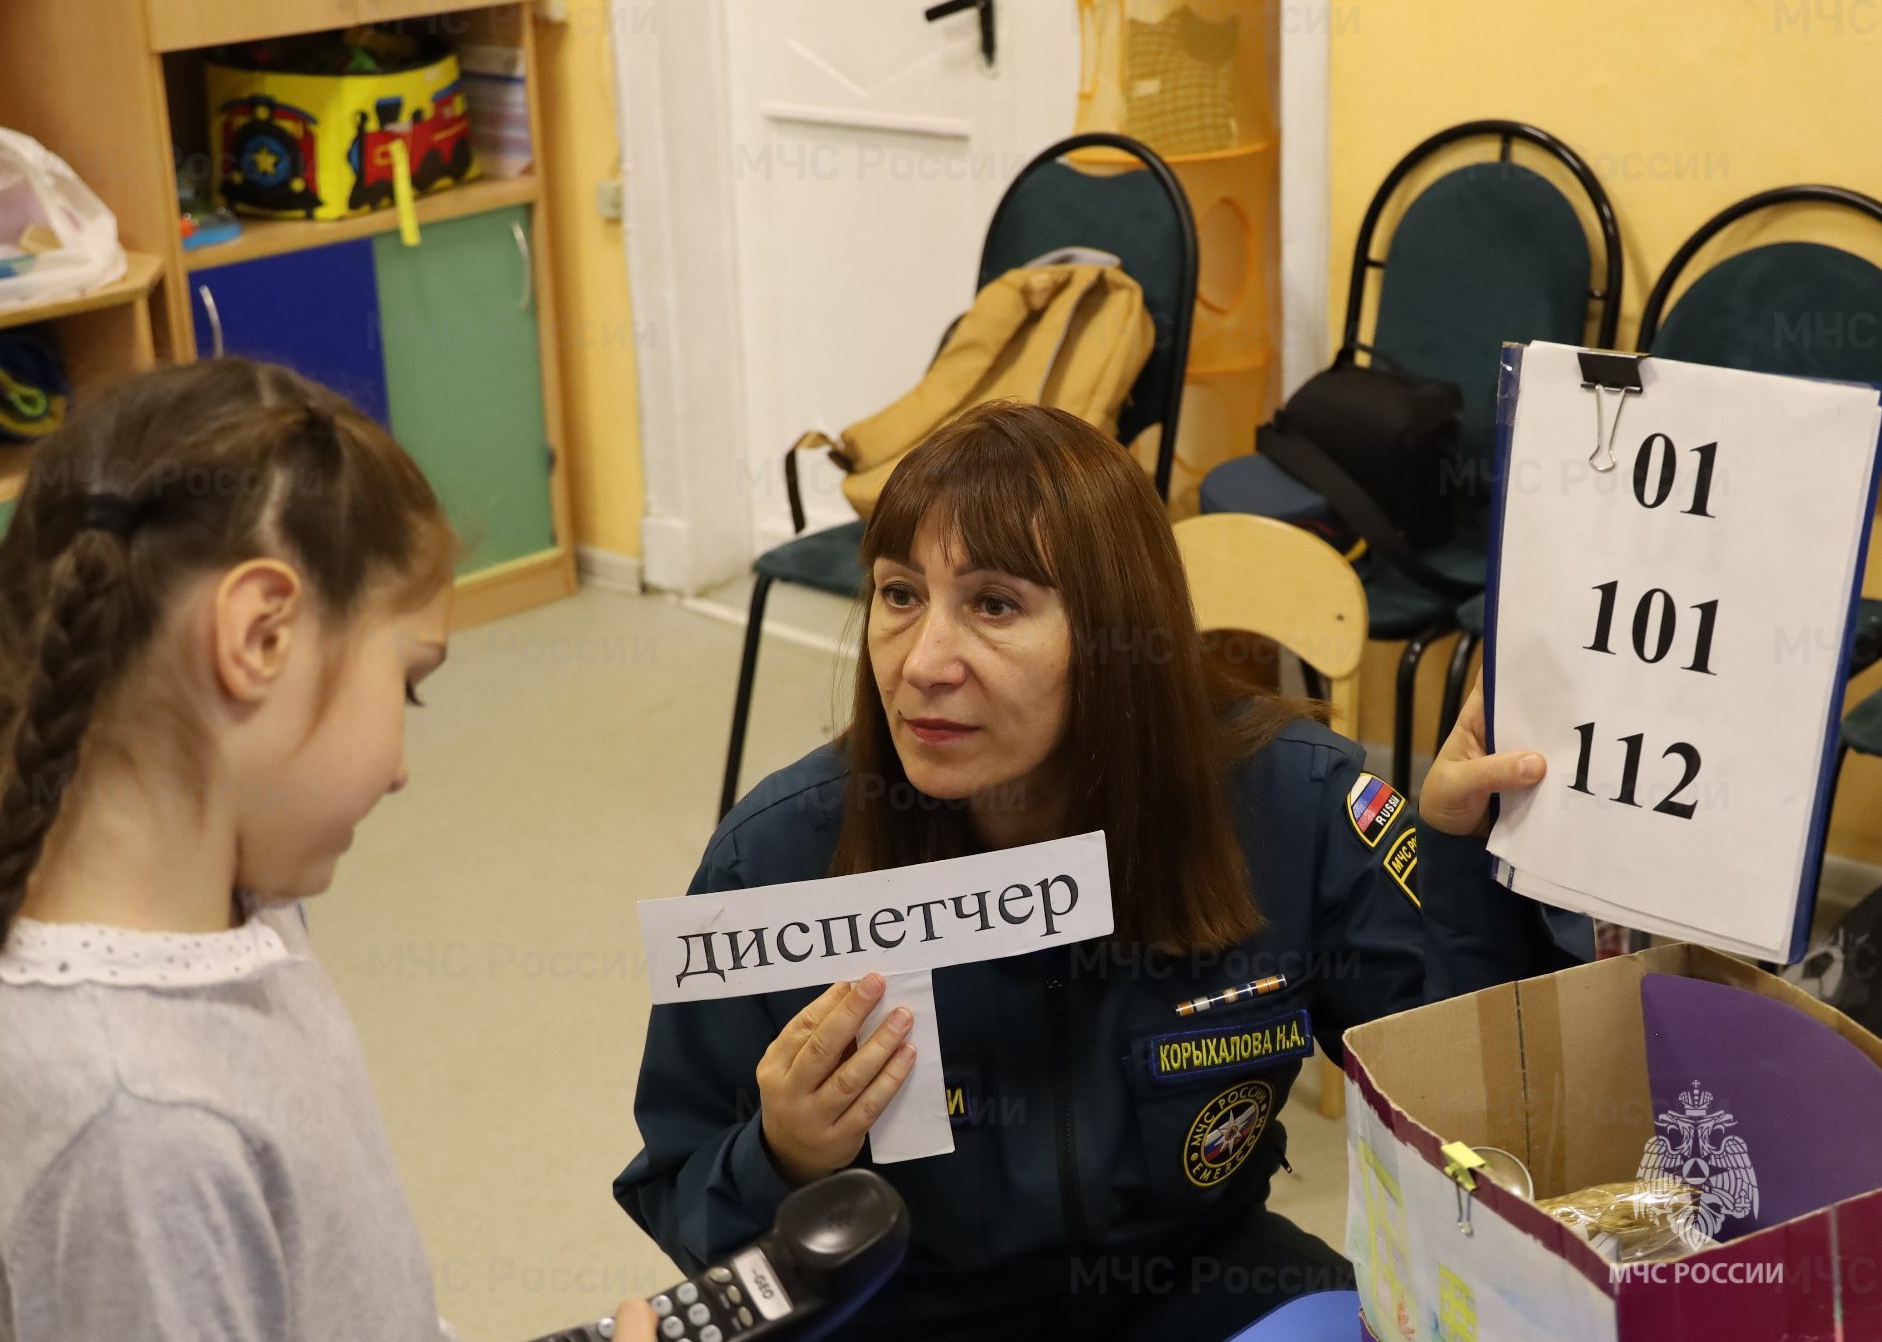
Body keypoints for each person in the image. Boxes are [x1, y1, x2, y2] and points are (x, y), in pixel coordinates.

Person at [616, 402, 1589, 1341]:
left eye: (993, 603)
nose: (922, 662)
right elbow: (679, 1192)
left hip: (1193, 1282)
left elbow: (1472, 1120)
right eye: (899, 594)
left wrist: (1469, 859)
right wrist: (777, 1156)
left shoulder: (1289, 805)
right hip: (902, 1311)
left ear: (1118, 638)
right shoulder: (776, 861)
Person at [0, 360, 652, 1342]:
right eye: (410, 683)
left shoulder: (243, 913)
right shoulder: (138, 1128)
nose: (400, 768)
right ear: (261, 633)